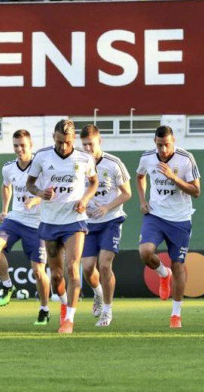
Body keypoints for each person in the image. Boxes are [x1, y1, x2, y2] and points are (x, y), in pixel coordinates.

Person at [26, 119, 98, 334]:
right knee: (56, 276)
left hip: (74, 221)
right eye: (59, 142)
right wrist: (39, 193)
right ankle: (64, 305)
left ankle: (69, 320)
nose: (63, 146)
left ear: (73, 139)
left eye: (67, 142)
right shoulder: (41, 156)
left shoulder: (84, 159)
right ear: (53, 138)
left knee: (72, 268)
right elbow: (30, 183)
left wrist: (85, 199)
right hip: (49, 221)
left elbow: (93, 182)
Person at [137, 125, 200, 328]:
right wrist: (142, 200)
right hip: (155, 215)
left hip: (180, 219)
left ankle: (176, 314)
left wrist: (173, 178)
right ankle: (163, 274)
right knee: (145, 251)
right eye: (159, 145)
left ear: (173, 142)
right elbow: (139, 177)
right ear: (154, 142)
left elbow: (196, 191)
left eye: (166, 145)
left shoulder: (186, 158)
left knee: (178, 265)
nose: (163, 150)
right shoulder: (147, 157)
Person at [0, 129, 52, 325]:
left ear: (30, 145)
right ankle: (7, 286)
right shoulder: (8, 168)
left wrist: (35, 200)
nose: (19, 149)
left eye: (23, 145)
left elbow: (51, 191)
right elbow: (6, 186)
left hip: (38, 224)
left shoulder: (41, 166)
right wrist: (4, 209)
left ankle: (44, 309)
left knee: (38, 272)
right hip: (15, 219)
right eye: (16, 145)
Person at [80, 125, 132, 327]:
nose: (87, 149)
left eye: (90, 144)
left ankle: (107, 312)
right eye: (83, 144)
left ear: (99, 141)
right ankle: (98, 294)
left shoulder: (113, 163)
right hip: (88, 222)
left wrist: (107, 207)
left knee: (104, 264)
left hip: (111, 220)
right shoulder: (79, 163)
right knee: (87, 268)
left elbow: (127, 193)